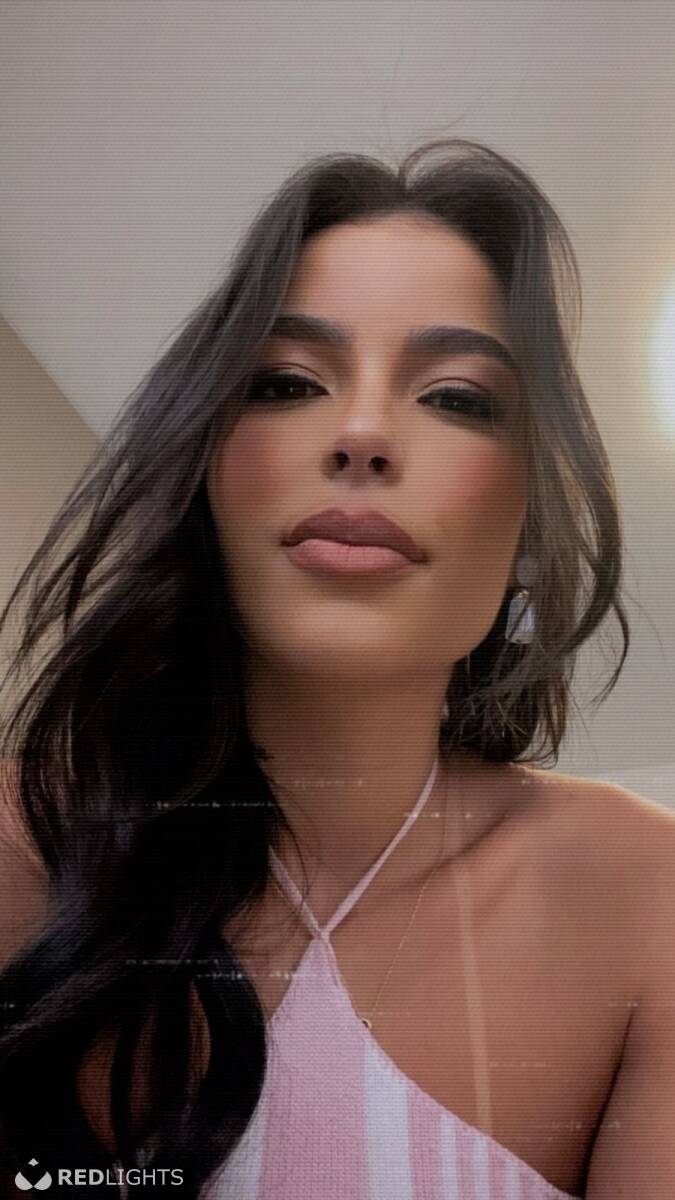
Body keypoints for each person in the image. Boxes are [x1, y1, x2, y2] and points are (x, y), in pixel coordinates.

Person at [0, 137, 673, 1200]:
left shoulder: (645, 897)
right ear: (205, 470)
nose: (361, 433)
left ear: (527, 518)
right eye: (287, 382)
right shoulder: (21, 843)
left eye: (455, 397)